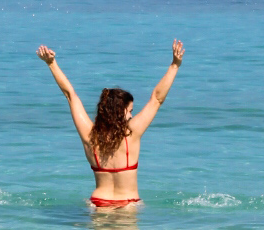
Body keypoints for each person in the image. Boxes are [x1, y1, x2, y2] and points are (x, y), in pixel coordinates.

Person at [36, 40, 185, 207]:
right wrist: (174, 65)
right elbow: (157, 99)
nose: (131, 116)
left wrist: (51, 64)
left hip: (98, 204)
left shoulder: (90, 135)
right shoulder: (132, 133)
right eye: (129, 111)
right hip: (128, 204)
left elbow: (71, 96)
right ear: (119, 112)